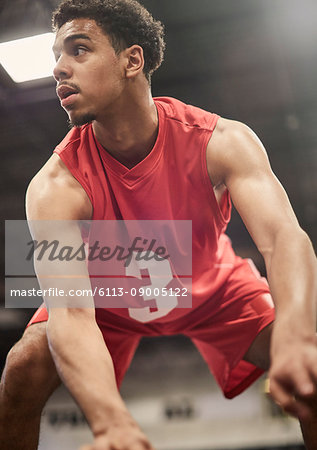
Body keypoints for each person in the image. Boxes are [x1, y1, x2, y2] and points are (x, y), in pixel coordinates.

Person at [1, 0, 317, 449]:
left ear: (133, 60)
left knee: (314, 373)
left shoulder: (222, 141)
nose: (59, 69)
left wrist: (298, 337)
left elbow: (284, 238)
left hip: (213, 288)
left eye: (79, 50)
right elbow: (71, 312)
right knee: (22, 368)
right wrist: (109, 421)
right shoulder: (55, 186)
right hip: (106, 299)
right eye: (56, 56)